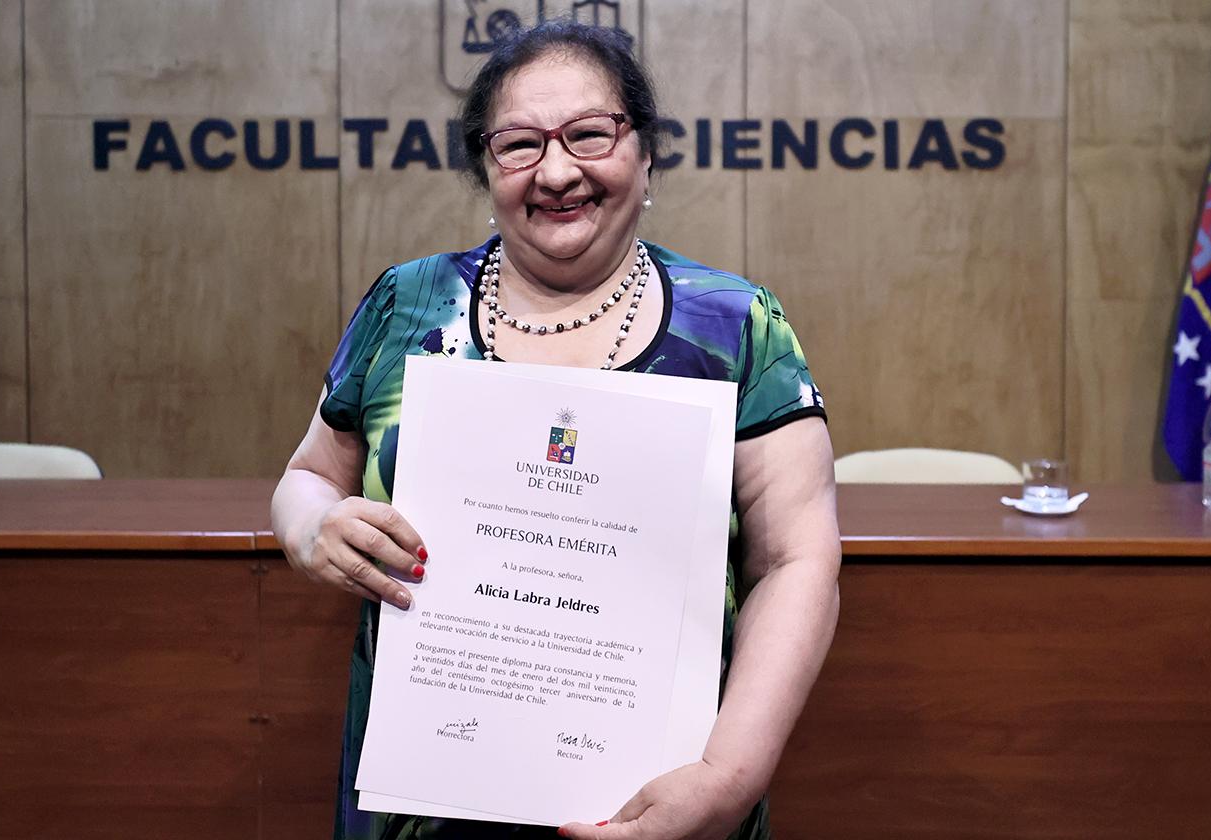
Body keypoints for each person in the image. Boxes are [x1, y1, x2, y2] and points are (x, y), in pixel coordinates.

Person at [270, 20, 840, 840]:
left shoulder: (736, 325)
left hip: (663, 804)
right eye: (520, 145)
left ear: (644, 152)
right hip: (424, 798)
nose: (559, 170)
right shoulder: (407, 304)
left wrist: (727, 778)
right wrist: (311, 527)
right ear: (486, 167)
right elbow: (308, 477)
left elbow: (798, 558)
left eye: (589, 134)